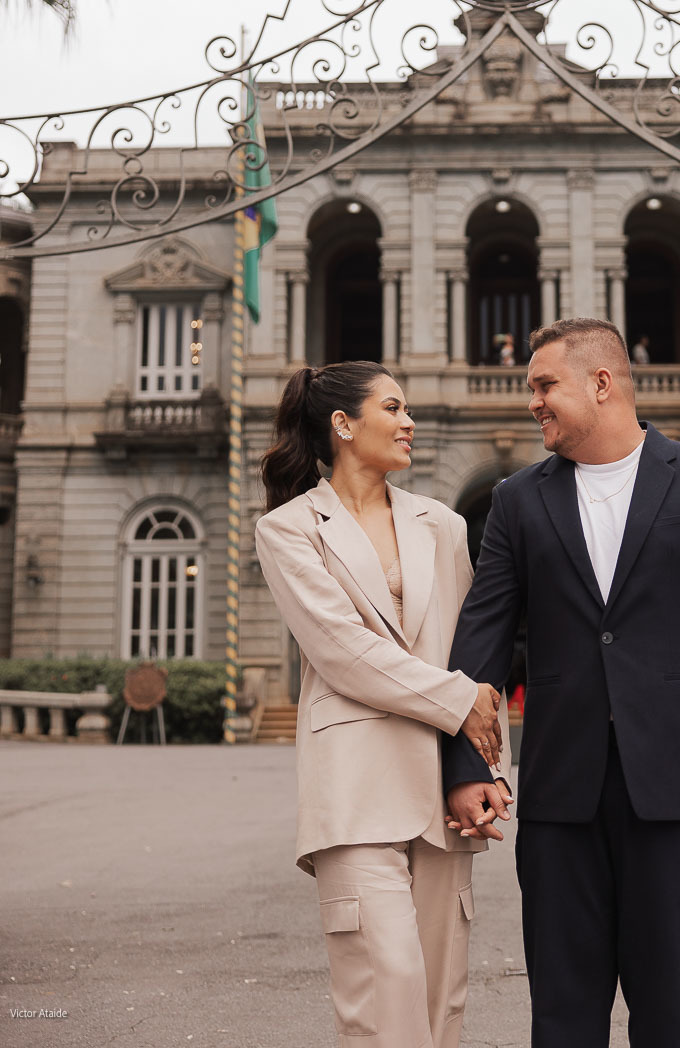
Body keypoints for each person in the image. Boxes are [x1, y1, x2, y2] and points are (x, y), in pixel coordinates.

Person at [443, 318, 680, 1048]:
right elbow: (483, 637)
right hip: (562, 795)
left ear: (601, 383)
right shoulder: (516, 500)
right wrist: (468, 765)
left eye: (544, 386)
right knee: (562, 1015)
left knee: (671, 1013)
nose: (532, 402)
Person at [255, 360, 510, 1048]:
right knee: (383, 992)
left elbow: (473, 648)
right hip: (353, 786)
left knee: (439, 1000)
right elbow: (341, 652)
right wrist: (461, 701)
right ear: (343, 425)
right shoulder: (287, 529)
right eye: (393, 408)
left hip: (442, 787)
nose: (409, 422)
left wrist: (482, 771)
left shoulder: (444, 524)